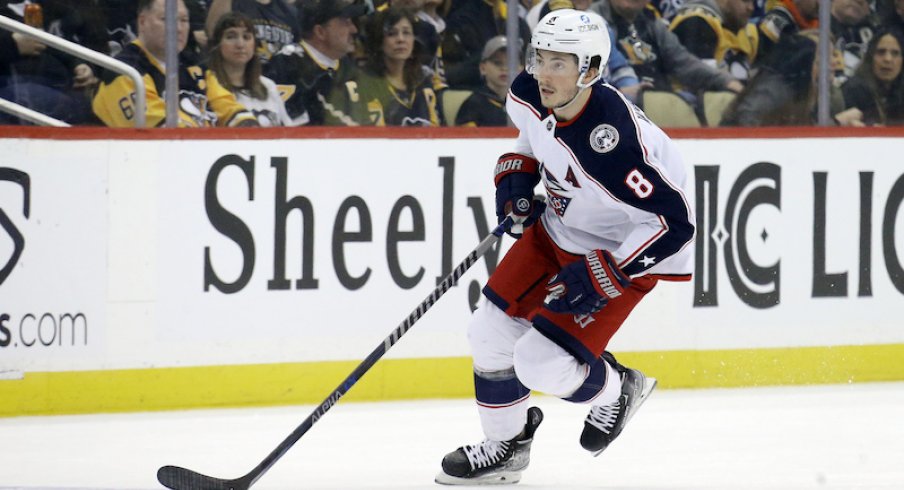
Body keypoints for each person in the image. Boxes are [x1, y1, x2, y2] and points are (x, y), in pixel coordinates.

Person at [436, 8, 695, 485]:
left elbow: (674, 224)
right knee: (489, 335)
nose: (544, 73)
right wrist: (516, 177)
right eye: (540, 58)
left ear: (592, 71)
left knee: (542, 363)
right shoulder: (531, 90)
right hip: (558, 227)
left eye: (561, 63)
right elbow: (531, 138)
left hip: (624, 251)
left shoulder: (614, 143)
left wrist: (608, 271)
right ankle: (505, 449)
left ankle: (617, 390)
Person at [92, 0, 258, 127]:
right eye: (166, 19)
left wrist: (251, 130)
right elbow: (163, 137)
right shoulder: (125, 72)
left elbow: (228, 107)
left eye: (184, 20)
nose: (178, 28)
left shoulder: (196, 67)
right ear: (142, 22)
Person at [590, 0, 744, 97]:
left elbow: (684, 63)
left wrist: (726, 81)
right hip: (617, 106)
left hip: (661, 104)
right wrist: (620, 93)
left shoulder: (653, 24)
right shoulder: (593, 20)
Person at [264, 0, 366, 125]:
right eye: (345, 22)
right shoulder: (285, 67)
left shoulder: (348, 66)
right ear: (320, 32)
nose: (354, 29)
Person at [350, 7, 440, 125]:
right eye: (392, 34)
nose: (401, 39)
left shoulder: (424, 84)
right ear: (379, 41)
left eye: (406, 33)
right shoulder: (366, 86)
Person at [209, 12, 293, 126]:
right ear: (217, 45)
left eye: (246, 37)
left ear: (254, 45)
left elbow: (288, 132)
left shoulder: (268, 85)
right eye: (231, 37)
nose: (240, 44)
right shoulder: (209, 85)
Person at [670, 0, 759, 82]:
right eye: (745, 0)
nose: (751, 8)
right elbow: (700, 82)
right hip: (684, 96)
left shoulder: (749, 32)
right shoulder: (697, 21)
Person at [838, 27, 904, 125]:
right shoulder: (854, 89)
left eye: (895, 53)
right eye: (881, 52)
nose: (888, 59)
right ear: (870, 57)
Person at [205, 0, 300, 62]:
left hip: (280, 82)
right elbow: (212, 32)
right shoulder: (230, 3)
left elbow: (298, 50)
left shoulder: (290, 11)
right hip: (239, 76)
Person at [455, 35, 517, 126]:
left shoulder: (527, 105)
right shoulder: (472, 105)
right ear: (483, 68)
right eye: (497, 62)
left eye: (510, 63)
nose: (504, 68)